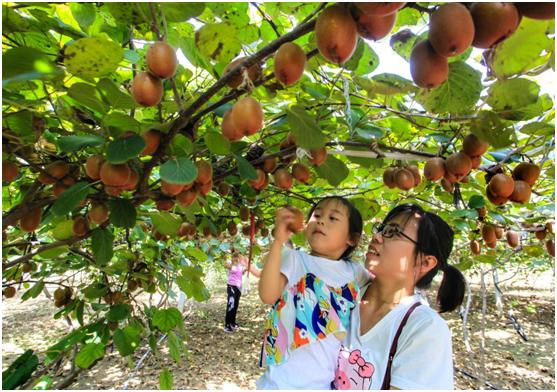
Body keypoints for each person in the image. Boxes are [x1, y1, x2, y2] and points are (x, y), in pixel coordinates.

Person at [332, 203, 466, 390]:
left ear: (425, 262)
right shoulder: (343, 292)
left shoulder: (424, 328)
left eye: (393, 233)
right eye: (381, 229)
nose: (377, 237)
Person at [257, 196, 371, 389]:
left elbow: (384, 290)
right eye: (317, 215)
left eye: (333, 218)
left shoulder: (355, 272)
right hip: (280, 383)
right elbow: (268, 295)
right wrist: (278, 243)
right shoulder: (294, 260)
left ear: (352, 238)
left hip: (323, 384)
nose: (321, 220)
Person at [223, 250, 260, 333]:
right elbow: (226, 265)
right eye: (235, 257)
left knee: (235, 305)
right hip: (231, 286)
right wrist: (226, 257)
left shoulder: (240, 265)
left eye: (238, 257)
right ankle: (227, 325)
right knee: (231, 305)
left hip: (238, 287)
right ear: (233, 257)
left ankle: (232, 322)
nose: (237, 258)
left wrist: (245, 270)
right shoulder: (231, 263)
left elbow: (240, 273)